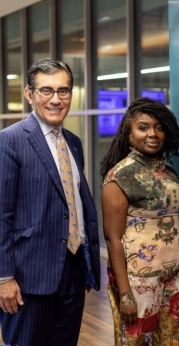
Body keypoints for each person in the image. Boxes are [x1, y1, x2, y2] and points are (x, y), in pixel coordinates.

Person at [0, 58, 101, 345]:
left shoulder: (73, 142)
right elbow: (1, 213)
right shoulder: (10, 140)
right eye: (46, 91)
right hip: (27, 278)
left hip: (72, 272)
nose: (56, 99)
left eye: (63, 91)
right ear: (29, 95)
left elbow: (76, 205)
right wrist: (3, 277)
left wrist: (88, 266)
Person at [100, 97, 179, 345]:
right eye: (143, 127)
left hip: (177, 273)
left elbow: (177, 224)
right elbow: (112, 238)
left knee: (173, 339)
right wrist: (125, 295)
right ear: (129, 134)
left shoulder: (169, 173)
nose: (152, 134)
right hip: (138, 280)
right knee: (136, 340)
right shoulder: (120, 176)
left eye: (159, 127)